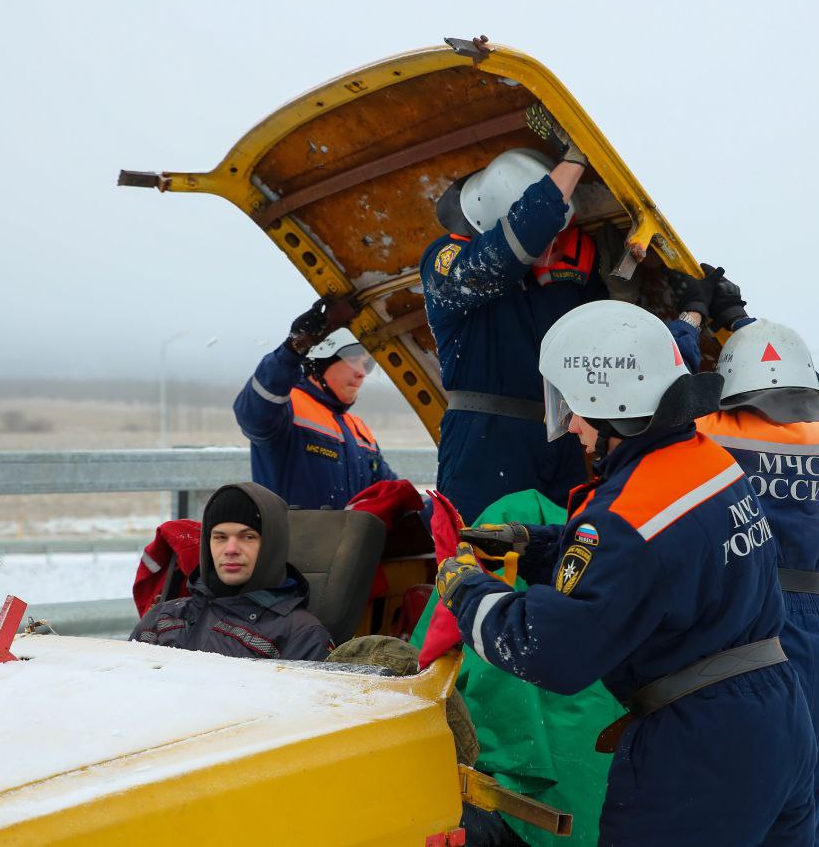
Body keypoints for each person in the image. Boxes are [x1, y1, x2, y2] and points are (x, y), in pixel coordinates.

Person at [435, 300, 818, 845]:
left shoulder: (624, 519)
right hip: (778, 716)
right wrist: (540, 544)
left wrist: (468, 592)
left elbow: (554, 651)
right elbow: (666, 565)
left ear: (608, 399)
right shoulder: (705, 460)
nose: (570, 425)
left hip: (699, 745)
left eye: (573, 406)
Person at [671, 269, 819, 845]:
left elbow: (662, 390)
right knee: (800, 800)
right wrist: (741, 321)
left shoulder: (712, 431)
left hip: (745, 623)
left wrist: (691, 319)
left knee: (727, 799)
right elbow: (813, 385)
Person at [419, 105, 606, 522]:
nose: (553, 244)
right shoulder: (447, 264)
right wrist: (575, 158)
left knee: (566, 563)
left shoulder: (555, 282)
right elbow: (507, 251)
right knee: (484, 562)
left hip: (559, 440)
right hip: (484, 440)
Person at [130, 482, 334, 660]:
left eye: (248, 537)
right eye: (220, 537)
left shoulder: (302, 636)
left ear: (272, 545)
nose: (230, 550)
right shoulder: (162, 618)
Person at [233, 299, 396, 509]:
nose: (362, 372)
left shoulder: (360, 431)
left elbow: (391, 496)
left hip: (350, 542)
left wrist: (439, 510)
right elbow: (252, 414)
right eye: (352, 359)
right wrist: (292, 349)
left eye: (368, 364)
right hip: (291, 542)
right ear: (322, 360)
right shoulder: (286, 407)